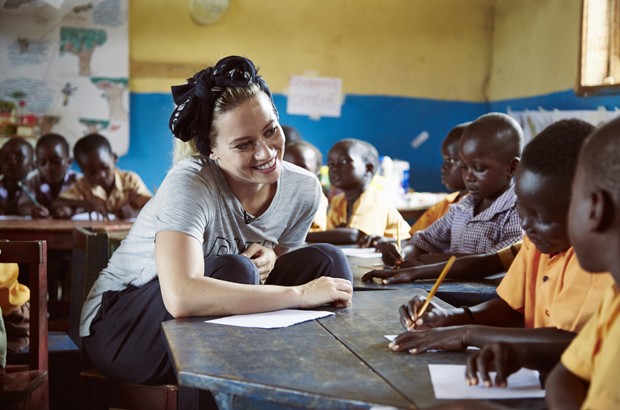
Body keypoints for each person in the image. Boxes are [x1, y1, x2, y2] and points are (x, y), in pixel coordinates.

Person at [78, 56, 353, 408]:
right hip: (123, 327)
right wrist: (299, 294)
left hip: (215, 327)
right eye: (243, 144)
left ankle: (317, 394)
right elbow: (182, 296)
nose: (266, 152)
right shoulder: (190, 183)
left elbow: (283, 259)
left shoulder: (303, 189)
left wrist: (272, 254)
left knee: (326, 259)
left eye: (271, 130)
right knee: (236, 269)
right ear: (212, 150)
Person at [388, 119, 612, 360]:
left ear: (589, 210)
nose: (526, 224)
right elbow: (511, 306)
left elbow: (570, 341)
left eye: (542, 217)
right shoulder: (537, 241)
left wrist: (466, 333)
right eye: (523, 209)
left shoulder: (595, 261)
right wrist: (453, 317)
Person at [461, 117, 620, 410]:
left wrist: (467, 332)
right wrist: (522, 353)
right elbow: (566, 375)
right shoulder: (616, 299)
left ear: (595, 209)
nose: (527, 225)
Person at [381, 113, 524, 269]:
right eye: (464, 167)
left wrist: (424, 264)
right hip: (446, 288)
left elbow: (491, 262)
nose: (468, 176)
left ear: (512, 168)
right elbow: (425, 240)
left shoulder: (519, 212)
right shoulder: (463, 207)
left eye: (479, 169)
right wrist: (402, 253)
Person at [306, 138, 410, 245]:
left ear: (368, 168)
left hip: (397, 255)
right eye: (331, 164)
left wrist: (300, 236)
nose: (335, 168)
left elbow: (354, 236)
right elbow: (331, 236)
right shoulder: (338, 201)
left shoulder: (373, 198)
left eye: (344, 162)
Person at [52, 133, 152, 220]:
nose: (101, 175)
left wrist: (134, 212)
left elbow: (153, 207)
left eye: (104, 167)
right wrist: (86, 204)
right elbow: (56, 203)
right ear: (83, 172)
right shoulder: (83, 185)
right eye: (92, 173)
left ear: (114, 158)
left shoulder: (130, 180)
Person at [17, 133, 81, 218]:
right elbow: (23, 205)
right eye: (43, 163)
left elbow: (89, 203)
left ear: (69, 162)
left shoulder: (78, 181)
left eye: (56, 162)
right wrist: (33, 209)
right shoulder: (32, 181)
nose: (49, 168)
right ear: (36, 164)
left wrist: (71, 209)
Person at [283, 140, 327, 231]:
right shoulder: (279, 197)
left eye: (301, 167)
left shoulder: (316, 198)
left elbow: (312, 231)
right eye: (287, 167)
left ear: (316, 172)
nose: (293, 172)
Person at [0, 137, 34, 215]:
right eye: (6, 158)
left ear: (32, 165)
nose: (12, 161)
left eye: (19, 157)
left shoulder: (36, 187)